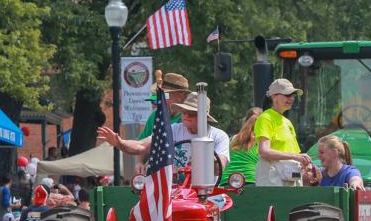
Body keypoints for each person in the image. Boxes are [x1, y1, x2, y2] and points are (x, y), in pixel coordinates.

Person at [96, 91, 230, 173]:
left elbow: (220, 166)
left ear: (204, 117)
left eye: (192, 113)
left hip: (206, 193)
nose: (186, 116)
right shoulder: (172, 130)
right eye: (184, 112)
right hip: (175, 192)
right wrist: (119, 142)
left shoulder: (218, 136)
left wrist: (205, 158)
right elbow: (141, 146)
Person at [254, 78, 312, 186]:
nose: (291, 98)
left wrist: (303, 161)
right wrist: (295, 157)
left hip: (290, 177)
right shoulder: (265, 118)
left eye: (293, 95)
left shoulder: (288, 122)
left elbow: (294, 154)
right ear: (274, 96)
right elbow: (264, 151)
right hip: (273, 179)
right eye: (287, 94)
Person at [220, 107, 262, 185]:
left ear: (245, 121)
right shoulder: (262, 141)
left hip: (226, 181)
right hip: (250, 181)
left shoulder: (232, 139)